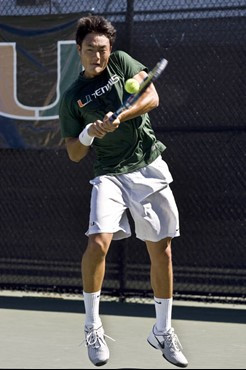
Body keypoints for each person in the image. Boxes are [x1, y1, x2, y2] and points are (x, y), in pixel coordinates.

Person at [59, 14, 188, 368]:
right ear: (79, 51)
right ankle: (92, 325)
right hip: (109, 175)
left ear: (110, 49)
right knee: (97, 242)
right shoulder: (73, 98)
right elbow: (73, 152)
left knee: (162, 251)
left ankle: (162, 332)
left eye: (102, 50)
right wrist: (89, 133)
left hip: (148, 165)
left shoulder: (122, 62)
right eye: (89, 50)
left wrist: (122, 115)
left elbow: (152, 96)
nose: (97, 57)